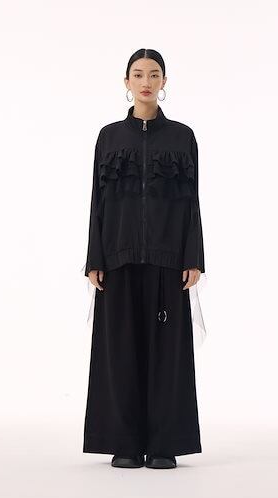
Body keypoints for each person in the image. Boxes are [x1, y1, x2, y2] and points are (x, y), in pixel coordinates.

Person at [81, 48, 206, 469]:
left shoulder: (183, 137)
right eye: (138, 74)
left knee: (168, 355)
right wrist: (94, 258)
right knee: (119, 352)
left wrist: (193, 257)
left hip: (169, 259)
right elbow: (97, 200)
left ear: (164, 82)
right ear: (127, 82)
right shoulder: (109, 137)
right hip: (117, 257)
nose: (146, 81)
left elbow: (192, 201)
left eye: (154, 74)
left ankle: (165, 444)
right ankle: (125, 444)